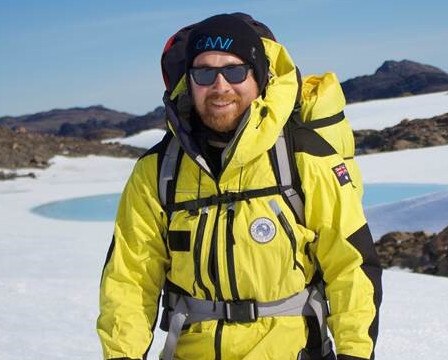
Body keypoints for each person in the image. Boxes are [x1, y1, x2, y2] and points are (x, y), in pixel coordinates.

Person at [97, 13, 382, 360]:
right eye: (204, 72)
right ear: (189, 81)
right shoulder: (156, 172)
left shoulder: (304, 157)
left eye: (234, 71)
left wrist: (354, 352)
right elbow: (129, 278)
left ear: (259, 78)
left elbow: (349, 266)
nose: (220, 86)